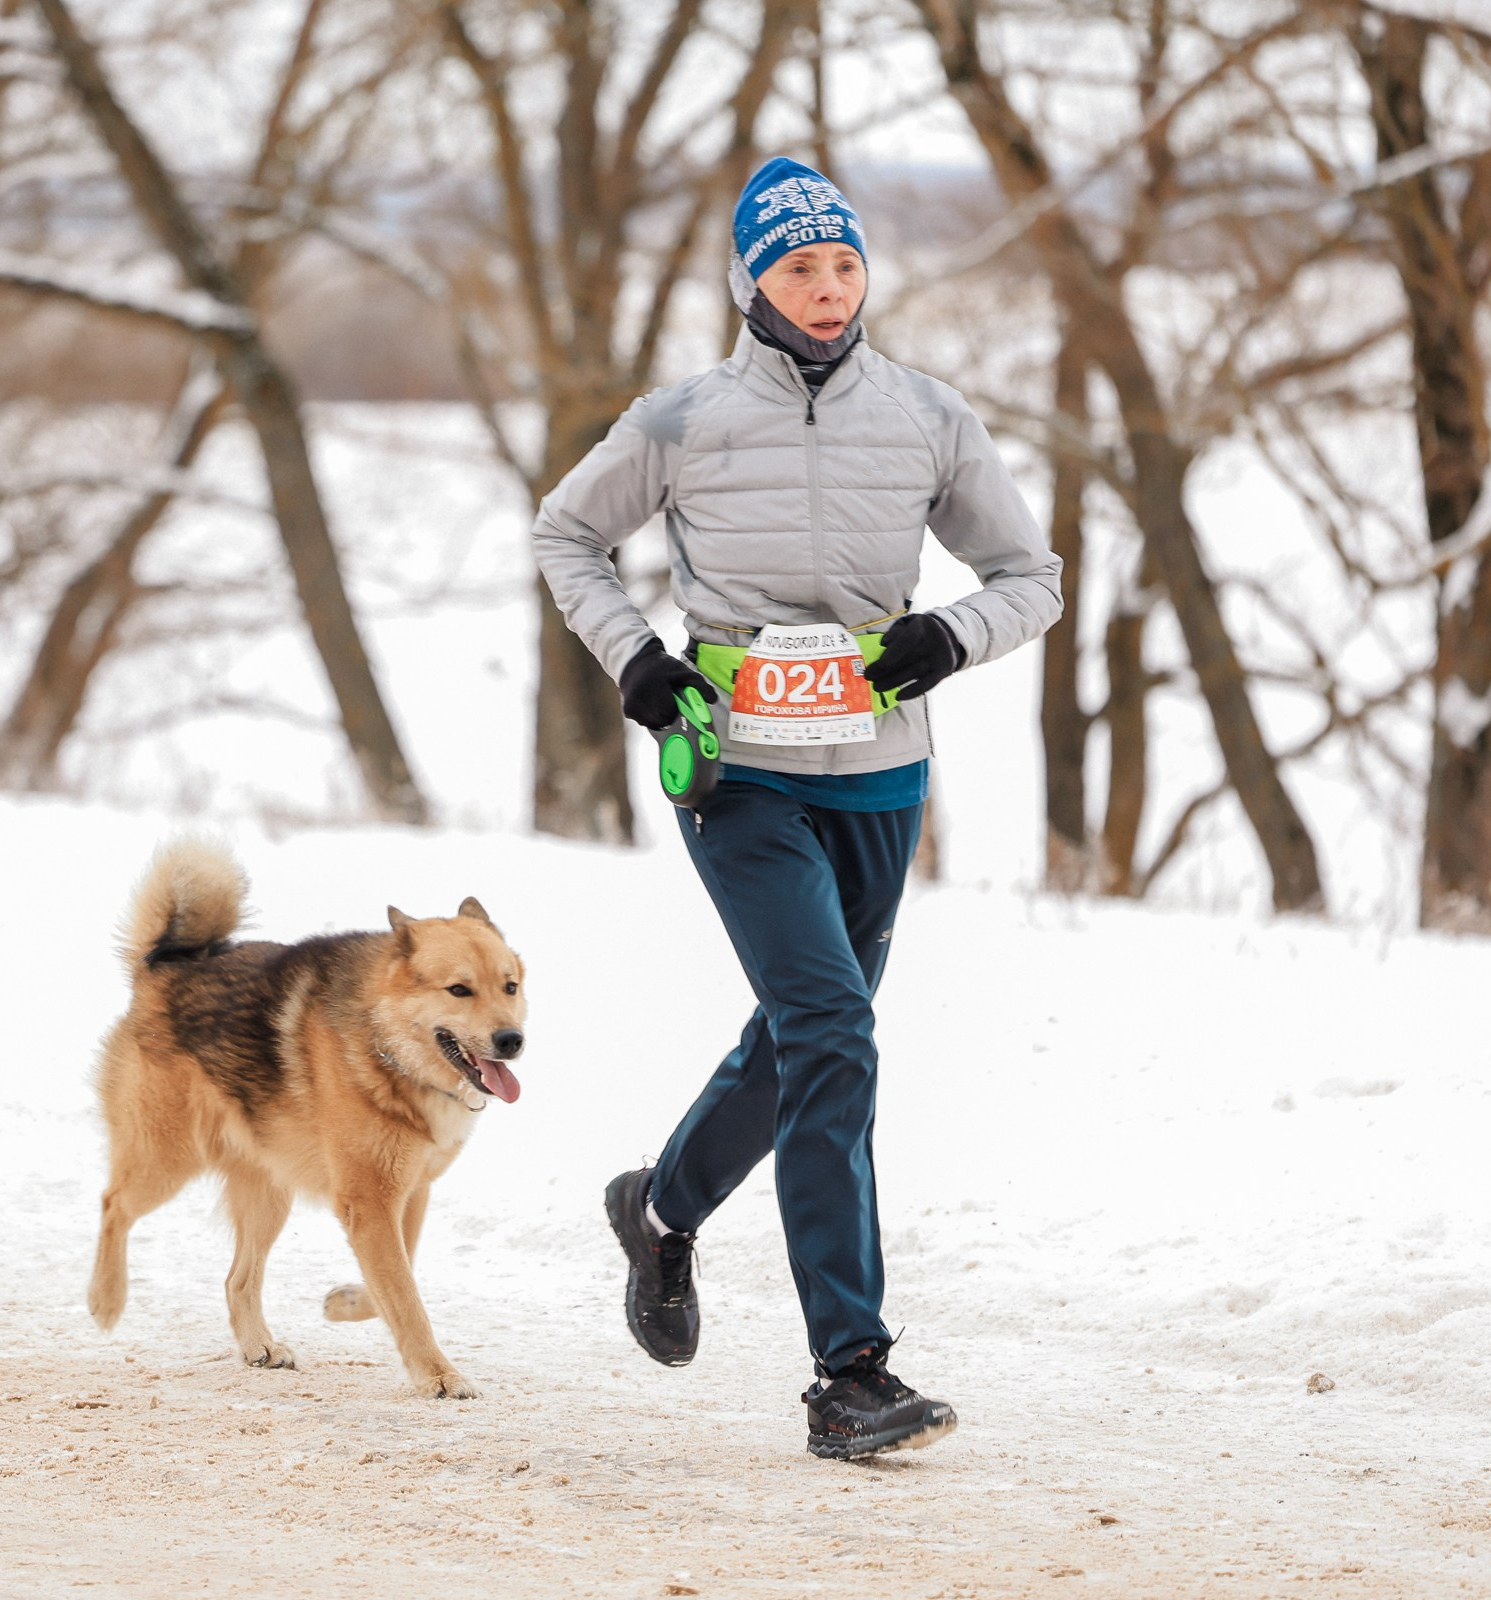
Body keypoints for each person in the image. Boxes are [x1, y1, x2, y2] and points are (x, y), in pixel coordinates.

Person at [532, 157, 1063, 1459]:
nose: (826, 291)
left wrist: (950, 636)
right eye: (796, 268)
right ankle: (851, 1373)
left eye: (843, 265)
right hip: (739, 770)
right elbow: (565, 535)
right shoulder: (682, 420)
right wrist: (641, 667)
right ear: (748, 283)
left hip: (882, 773)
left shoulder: (930, 417)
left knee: (804, 1038)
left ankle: (658, 1213)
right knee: (834, 1029)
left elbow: (1030, 575)